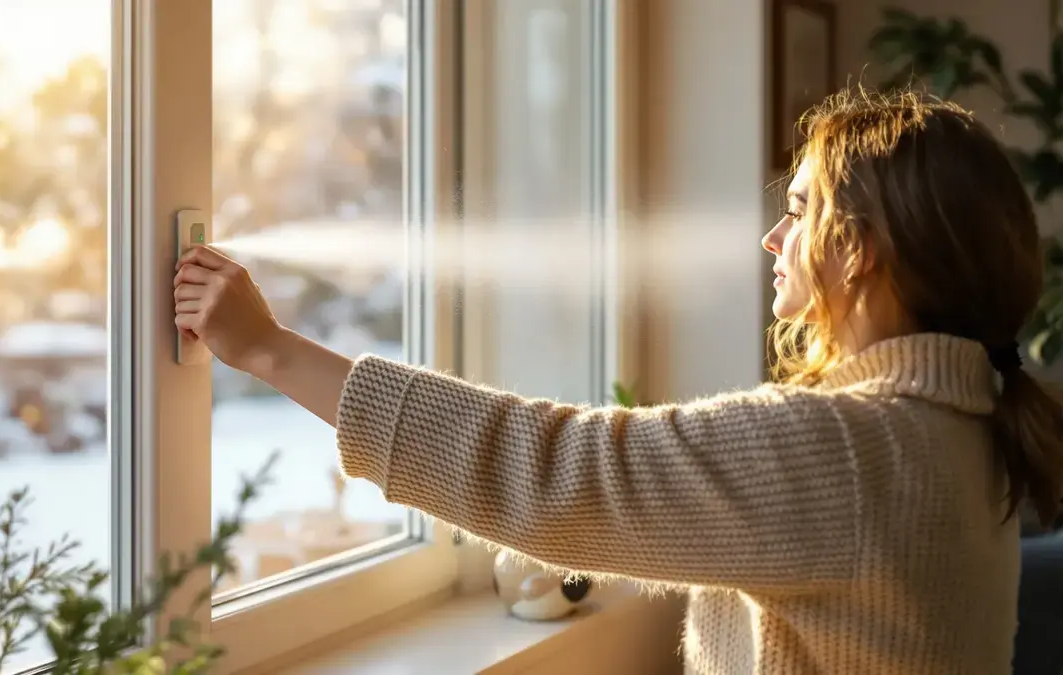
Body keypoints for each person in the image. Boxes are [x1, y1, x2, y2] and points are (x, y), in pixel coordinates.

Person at [174, 89, 1063, 674]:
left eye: (797, 210)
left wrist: (270, 349)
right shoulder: (963, 425)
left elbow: (565, 470)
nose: (772, 237)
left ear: (858, 251)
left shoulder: (856, 451)